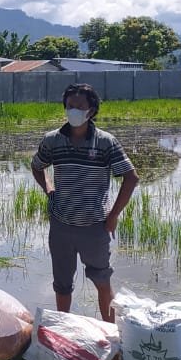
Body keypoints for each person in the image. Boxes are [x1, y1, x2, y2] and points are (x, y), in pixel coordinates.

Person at [30, 82, 138, 321]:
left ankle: (110, 333)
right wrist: (49, 188)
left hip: (95, 227)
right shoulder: (53, 140)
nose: (73, 111)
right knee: (62, 283)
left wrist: (113, 216)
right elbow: (37, 166)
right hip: (61, 225)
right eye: (70, 106)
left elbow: (131, 177)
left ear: (91, 110)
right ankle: (64, 329)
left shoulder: (105, 142)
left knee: (102, 280)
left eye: (79, 106)